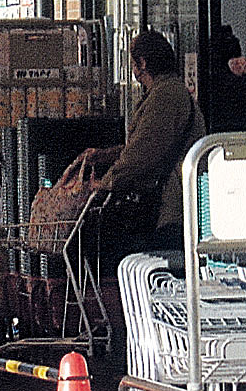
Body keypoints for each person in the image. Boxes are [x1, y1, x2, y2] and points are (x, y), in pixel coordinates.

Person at [80, 29, 206, 255]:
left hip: (169, 209)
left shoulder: (165, 96)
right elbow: (148, 143)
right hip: (170, 205)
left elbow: (142, 154)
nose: (133, 70)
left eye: (133, 63)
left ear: (143, 63)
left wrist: (105, 184)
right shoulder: (167, 91)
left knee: (152, 271)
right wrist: (107, 155)